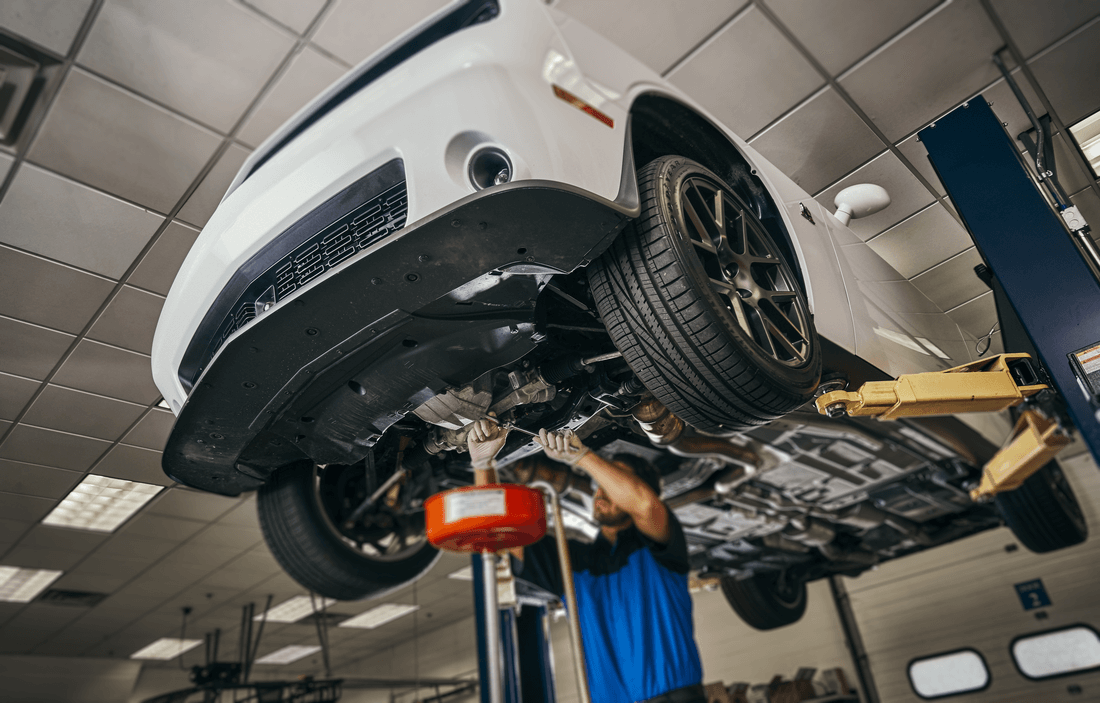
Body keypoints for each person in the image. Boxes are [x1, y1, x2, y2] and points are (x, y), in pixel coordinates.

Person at [467, 420, 705, 703]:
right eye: (599, 485)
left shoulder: (660, 548)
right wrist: (483, 462)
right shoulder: (574, 564)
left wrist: (583, 457)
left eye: (612, 484)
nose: (601, 492)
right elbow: (499, 531)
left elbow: (643, 503)